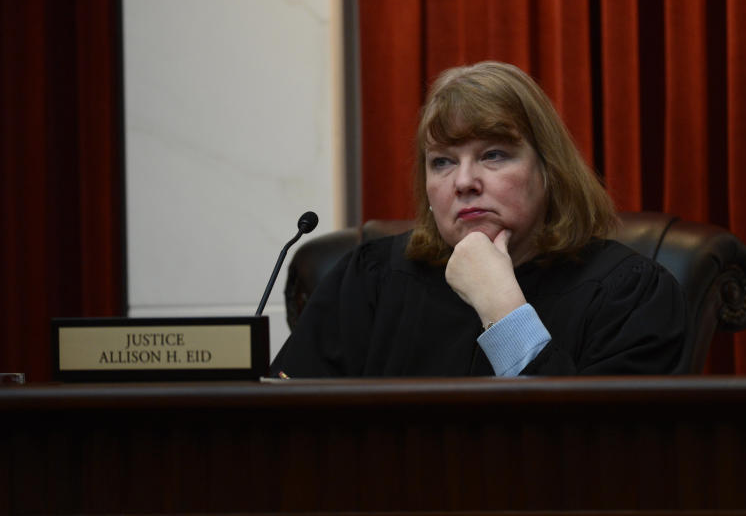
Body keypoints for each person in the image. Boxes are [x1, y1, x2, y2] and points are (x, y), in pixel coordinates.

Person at [271, 61, 685, 377]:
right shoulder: (369, 280)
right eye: (442, 162)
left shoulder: (629, 293)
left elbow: (595, 457)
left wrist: (503, 311)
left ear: (548, 171)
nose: (464, 182)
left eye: (493, 155)